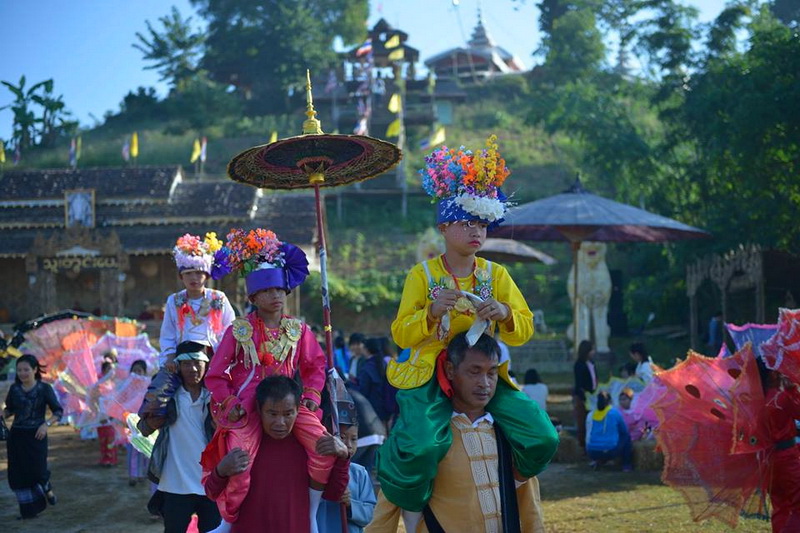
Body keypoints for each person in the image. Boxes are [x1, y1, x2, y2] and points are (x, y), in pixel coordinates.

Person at [381, 137, 558, 526]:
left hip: (484, 374)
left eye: (481, 223)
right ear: (444, 227)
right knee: (424, 446)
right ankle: (414, 507)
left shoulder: (497, 275)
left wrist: (506, 312)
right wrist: (429, 314)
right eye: (465, 223)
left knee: (543, 436)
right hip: (432, 374)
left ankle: (503, 487)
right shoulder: (422, 275)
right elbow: (401, 335)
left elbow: (522, 330)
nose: (475, 231)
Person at [202, 228, 332, 532]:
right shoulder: (239, 330)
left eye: (280, 290)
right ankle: (227, 521)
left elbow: (315, 365)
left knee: (322, 445)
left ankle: (311, 513)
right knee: (239, 460)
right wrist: (230, 401)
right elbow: (216, 375)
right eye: (267, 291)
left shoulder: (299, 330)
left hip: (288, 404)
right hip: (249, 406)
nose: (275, 296)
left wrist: (311, 396)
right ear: (254, 296)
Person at [368, 333, 548, 532]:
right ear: (450, 370)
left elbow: (529, 505)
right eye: (474, 371)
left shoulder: (507, 433)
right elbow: (386, 509)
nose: (485, 383)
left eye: (492, 373)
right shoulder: (424, 439)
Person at [205, 376, 350, 533]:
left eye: (288, 414)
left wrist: (343, 457)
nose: (280, 422)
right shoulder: (240, 442)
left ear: (298, 410)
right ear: (259, 410)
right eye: (272, 414)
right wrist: (221, 470)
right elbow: (211, 492)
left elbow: (334, 494)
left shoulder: (311, 446)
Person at [139, 342, 220, 533]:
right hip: (175, 484)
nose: (193, 369)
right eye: (186, 364)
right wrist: (153, 422)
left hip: (210, 482)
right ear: (178, 366)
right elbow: (143, 428)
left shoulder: (215, 396)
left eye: (198, 363)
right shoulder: (167, 395)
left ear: (206, 365)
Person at [159, 232, 235, 369]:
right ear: (181, 277)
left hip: (214, 357)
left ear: (206, 276)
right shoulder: (174, 300)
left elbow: (229, 330)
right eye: (188, 274)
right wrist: (170, 357)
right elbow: (168, 334)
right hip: (182, 358)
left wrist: (223, 358)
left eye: (199, 273)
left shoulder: (219, 298)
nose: (194, 278)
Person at [2, 354, 63, 519]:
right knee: (18, 474)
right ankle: (28, 511)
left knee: (38, 471)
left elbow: (58, 411)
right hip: (16, 436)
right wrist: (3, 413)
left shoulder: (44, 389)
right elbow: (10, 410)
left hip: (37, 435)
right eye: (19, 370)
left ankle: (46, 486)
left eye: (26, 369)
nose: (22, 373)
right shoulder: (14, 389)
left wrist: (46, 425)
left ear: (35, 370)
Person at [317, 392, 377, 533]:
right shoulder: (317, 471)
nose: (348, 444)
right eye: (342, 437)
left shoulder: (359, 473)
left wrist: (351, 504)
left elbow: (369, 513)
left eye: (354, 439)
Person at [759, 363, 800, 532]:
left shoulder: (754, 401)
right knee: (796, 504)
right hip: (787, 457)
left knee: (779, 505)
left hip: (767, 460)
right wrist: (792, 389)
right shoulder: (780, 398)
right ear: (771, 375)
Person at [586, 391, 632, 472]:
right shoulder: (614, 413)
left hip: (591, 451)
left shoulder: (592, 414)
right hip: (609, 451)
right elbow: (624, 431)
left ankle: (597, 460)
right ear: (610, 401)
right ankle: (626, 465)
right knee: (627, 438)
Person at [353, 337, 389, 424]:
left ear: (366, 350)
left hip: (372, 409)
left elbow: (363, 391)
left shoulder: (366, 368)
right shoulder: (384, 364)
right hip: (385, 406)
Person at [127, 359, 150, 486]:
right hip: (132, 422)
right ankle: (133, 475)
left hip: (146, 422)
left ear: (144, 372)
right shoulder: (127, 386)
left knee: (146, 448)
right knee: (133, 450)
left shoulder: (149, 386)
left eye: (139, 371)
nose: (136, 373)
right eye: (134, 370)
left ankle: (144, 474)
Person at [573, 340, 597, 450]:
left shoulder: (592, 363)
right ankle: (582, 446)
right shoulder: (579, 365)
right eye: (591, 350)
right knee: (582, 422)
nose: (593, 352)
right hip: (582, 397)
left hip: (592, 396)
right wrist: (583, 397)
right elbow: (579, 383)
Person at [95, 360, 119, 466]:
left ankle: (111, 459)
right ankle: (104, 458)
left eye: (112, 369)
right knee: (103, 438)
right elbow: (96, 399)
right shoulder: (99, 383)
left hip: (111, 416)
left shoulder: (114, 384)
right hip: (101, 416)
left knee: (111, 438)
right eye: (109, 369)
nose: (112, 371)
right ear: (104, 371)